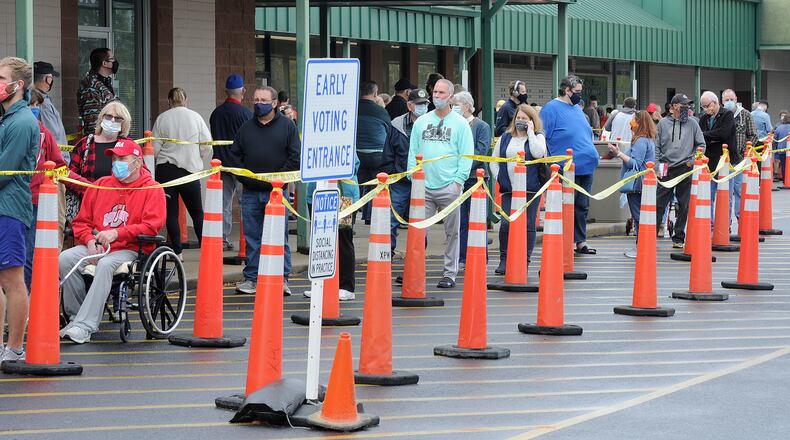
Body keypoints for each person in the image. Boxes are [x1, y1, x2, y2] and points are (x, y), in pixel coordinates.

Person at [59, 139, 166, 344]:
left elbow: (152, 226)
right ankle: (76, 317)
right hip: (97, 246)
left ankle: (85, 326)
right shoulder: (101, 185)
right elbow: (81, 222)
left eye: (122, 158)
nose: (116, 163)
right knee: (65, 258)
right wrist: (89, 241)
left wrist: (118, 233)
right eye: (114, 158)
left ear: (136, 162)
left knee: (106, 264)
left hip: (132, 248)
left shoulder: (151, 188)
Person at [227, 86, 299, 296]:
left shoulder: (287, 127)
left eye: (264, 100)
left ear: (275, 103)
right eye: (256, 100)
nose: (259, 103)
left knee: (279, 237)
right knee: (252, 237)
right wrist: (246, 177)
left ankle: (282, 278)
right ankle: (252, 278)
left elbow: (294, 157)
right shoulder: (246, 127)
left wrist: (277, 180)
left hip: (276, 193)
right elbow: (234, 156)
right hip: (250, 192)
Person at [407, 79, 473, 288]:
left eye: (442, 92)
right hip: (423, 186)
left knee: (452, 232)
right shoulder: (421, 122)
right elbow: (413, 151)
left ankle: (449, 273)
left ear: (451, 97)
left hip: (449, 186)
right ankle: (415, 270)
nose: (437, 96)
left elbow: (466, 154)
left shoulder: (461, 124)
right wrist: (413, 176)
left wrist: (458, 181)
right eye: (435, 92)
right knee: (417, 231)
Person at [24, 89, 89, 289]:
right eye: (31, 105)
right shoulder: (12, 127)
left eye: (37, 106)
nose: (34, 109)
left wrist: (87, 186)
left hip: (37, 202)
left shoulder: (43, 131)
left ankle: (29, 305)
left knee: (31, 256)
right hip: (16, 202)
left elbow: (60, 167)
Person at [0, 57, 38, 362]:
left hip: (10, 210)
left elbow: (6, 170)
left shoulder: (23, 122)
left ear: (18, 85)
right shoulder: (9, 119)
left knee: (13, 281)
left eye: (2, 78)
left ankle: (14, 347)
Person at [541, 74, 600, 254]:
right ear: (566, 90)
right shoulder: (550, 109)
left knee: (582, 206)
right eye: (577, 92)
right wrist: (547, 164)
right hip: (565, 168)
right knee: (565, 206)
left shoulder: (576, 109)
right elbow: (541, 137)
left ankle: (580, 241)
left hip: (586, 165)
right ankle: (562, 241)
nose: (579, 96)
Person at [151, 87, 212, 258]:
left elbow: (154, 149)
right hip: (190, 170)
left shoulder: (162, 118)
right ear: (186, 100)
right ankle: (206, 250)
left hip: (167, 170)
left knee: (171, 213)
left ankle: (177, 251)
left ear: (169, 101)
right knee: (197, 212)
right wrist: (197, 156)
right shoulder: (196, 117)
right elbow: (207, 144)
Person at [490, 104, 546, 273]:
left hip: (530, 188)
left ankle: (525, 259)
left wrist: (530, 133)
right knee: (506, 224)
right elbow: (494, 160)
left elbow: (538, 153)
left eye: (525, 118)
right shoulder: (505, 138)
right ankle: (504, 259)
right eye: (518, 118)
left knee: (529, 225)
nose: (521, 121)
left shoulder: (538, 137)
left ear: (532, 121)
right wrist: (499, 177)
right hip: (509, 189)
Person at [303, 156, 360, 301]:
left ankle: (346, 286)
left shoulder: (345, 135)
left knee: (343, 241)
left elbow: (353, 164)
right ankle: (320, 285)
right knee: (320, 240)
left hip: (344, 196)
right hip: (316, 193)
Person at [654, 93, 706, 248]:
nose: (687, 108)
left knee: (684, 205)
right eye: (683, 105)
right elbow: (656, 146)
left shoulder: (693, 123)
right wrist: (656, 166)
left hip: (685, 168)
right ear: (673, 106)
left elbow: (701, 145)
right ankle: (651, 235)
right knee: (659, 204)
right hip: (665, 168)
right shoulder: (662, 124)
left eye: (688, 105)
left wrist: (692, 161)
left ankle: (678, 237)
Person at [67, 101, 132, 222]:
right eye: (108, 116)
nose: (112, 120)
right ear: (101, 118)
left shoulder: (128, 147)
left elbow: (141, 176)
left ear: (124, 124)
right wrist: (92, 193)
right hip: (88, 210)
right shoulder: (84, 144)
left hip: (120, 212)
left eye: (118, 118)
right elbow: (70, 177)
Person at [210, 74, 253, 251]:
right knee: (246, 203)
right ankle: (248, 240)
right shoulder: (246, 114)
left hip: (221, 164)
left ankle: (221, 238)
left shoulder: (216, 114)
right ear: (243, 91)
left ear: (225, 91)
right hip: (241, 166)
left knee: (223, 203)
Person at [452, 91, 492, 268]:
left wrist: (462, 164)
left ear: (467, 106)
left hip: (476, 179)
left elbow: (481, 152)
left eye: (456, 104)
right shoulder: (454, 125)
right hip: (457, 179)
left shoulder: (481, 126)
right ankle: (461, 257)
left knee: (477, 219)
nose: (453, 108)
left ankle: (480, 256)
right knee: (460, 220)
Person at [608, 111, 656, 258]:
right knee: (641, 216)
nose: (631, 123)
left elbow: (636, 163)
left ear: (639, 122)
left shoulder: (640, 141)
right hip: (643, 183)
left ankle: (641, 248)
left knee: (638, 216)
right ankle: (644, 247)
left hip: (637, 184)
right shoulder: (647, 139)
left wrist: (618, 153)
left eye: (633, 120)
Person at [386, 89, 427, 252]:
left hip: (424, 181)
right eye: (419, 104)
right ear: (409, 105)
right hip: (400, 181)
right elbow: (388, 151)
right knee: (390, 219)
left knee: (420, 222)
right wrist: (391, 174)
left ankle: (416, 258)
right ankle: (387, 253)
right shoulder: (396, 125)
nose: (423, 107)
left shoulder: (432, 124)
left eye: (425, 104)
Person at [356, 81, 391, 223]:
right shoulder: (381, 111)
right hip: (377, 154)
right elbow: (389, 132)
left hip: (356, 155)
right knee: (376, 186)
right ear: (375, 94)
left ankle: (349, 222)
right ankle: (370, 217)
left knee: (354, 188)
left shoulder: (352, 109)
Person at [699, 91, 737, 218]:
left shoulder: (727, 115)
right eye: (702, 107)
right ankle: (709, 223)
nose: (704, 109)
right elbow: (700, 136)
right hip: (709, 161)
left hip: (725, 161)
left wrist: (708, 136)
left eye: (706, 106)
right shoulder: (703, 118)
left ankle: (725, 225)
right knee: (708, 195)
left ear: (714, 103)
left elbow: (724, 134)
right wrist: (712, 137)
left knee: (725, 196)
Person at [721, 89, 755, 222]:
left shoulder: (745, 114)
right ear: (722, 101)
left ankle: (742, 220)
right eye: (726, 100)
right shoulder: (721, 115)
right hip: (724, 161)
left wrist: (746, 149)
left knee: (740, 191)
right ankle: (726, 223)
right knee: (726, 193)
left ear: (736, 99)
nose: (729, 102)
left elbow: (753, 135)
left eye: (731, 99)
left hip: (741, 160)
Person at [77, 48, 118, 136]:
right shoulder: (91, 86)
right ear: (104, 63)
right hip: (101, 141)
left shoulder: (105, 82)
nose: (115, 61)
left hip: (110, 137)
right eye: (112, 59)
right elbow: (93, 123)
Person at [33, 61, 68, 153]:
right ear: (48, 79)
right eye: (51, 78)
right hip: (54, 159)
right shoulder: (42, 102)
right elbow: (53, 134)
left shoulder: (35, 98)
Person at [773, 113, 790, 180]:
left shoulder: (779, 128)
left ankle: (785, 180)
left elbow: (775, 140)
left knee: (783, 165)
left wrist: (776, 148)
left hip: (781, 149)